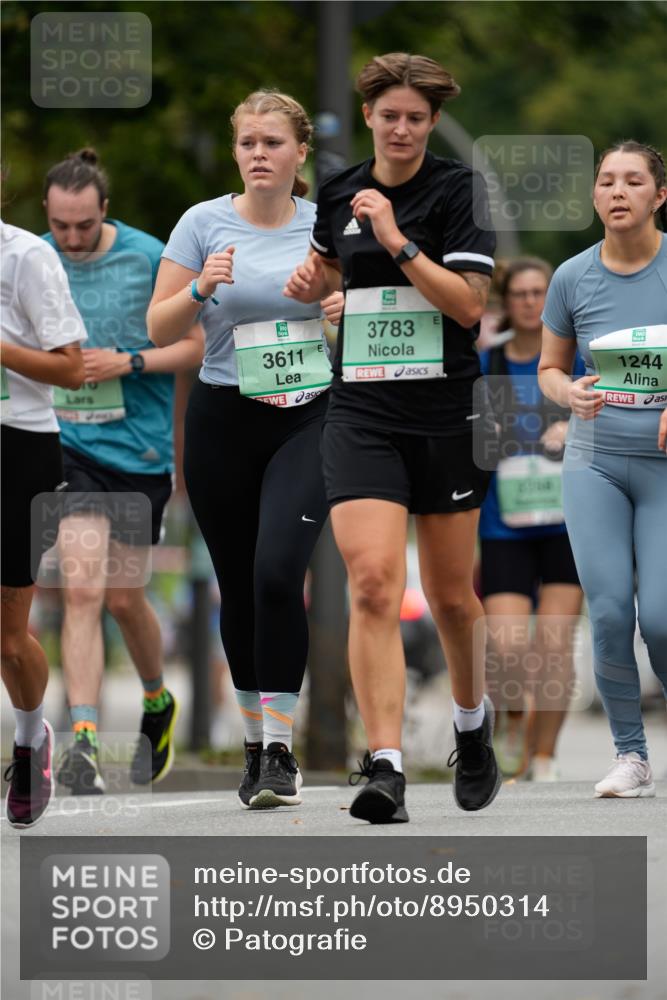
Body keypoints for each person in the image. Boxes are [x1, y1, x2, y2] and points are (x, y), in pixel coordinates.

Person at [285, 52, 499, 823]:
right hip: (362, 410)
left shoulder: (456, 190)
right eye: (388, 115)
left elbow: (470, 307)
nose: (401, 128)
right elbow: (326, 271)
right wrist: (318, 290)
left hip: (443, 411)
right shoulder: (338, 190)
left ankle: (472, 732)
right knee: (372, 582)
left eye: (415, 117)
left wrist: (399, 241)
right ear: (368, 115)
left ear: (432, 123)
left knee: (448, 595)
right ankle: (384, 765)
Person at [148, 91, 342, 809]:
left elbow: (370, 316)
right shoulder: (203, 222)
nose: (258, 153)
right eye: (247, 142)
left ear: (299, 155)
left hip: (307, 415)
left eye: (272, 142)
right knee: (238, 583)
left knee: (275, 572)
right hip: (224, 415)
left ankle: (282, 750)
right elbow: (160, 325)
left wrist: (338, 309)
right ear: (236, 151)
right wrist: (200, 285)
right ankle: (257, 745)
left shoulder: (329, 224)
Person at [42, 149, 204, 794]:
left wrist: (129, 363)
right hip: (68, 445)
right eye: (61, 226)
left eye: (84, 225)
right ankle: (82, 743)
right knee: (81, 590)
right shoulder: (35, 259)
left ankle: (157, 700)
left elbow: (193, 346)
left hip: (139, 452)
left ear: (105, 211)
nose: (73, 239)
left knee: (123, 598)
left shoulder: (148, 257)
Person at [539, 140, 667, 798]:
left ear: (657, 196)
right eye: (606, 181)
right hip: (595, 463)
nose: (617, 191)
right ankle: (629, 755)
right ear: (594, 197)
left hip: (663, 470)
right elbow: (549, 369)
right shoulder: (571, 277)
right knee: (611, 612)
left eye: (632, 181)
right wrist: (569, 394)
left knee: (663, 618)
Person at [478, 258, 584, 781]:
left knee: (554, 644)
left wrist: (574, 433)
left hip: (567, 525)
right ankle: (514, 718)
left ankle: (542, 757)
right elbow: (469, 437)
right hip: (504, 525)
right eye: (519, 292)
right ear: (506, 301)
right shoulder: (487, 363)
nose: (529, 301)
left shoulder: (575, 361)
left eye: (539, 291)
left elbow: (606, 418)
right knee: (508, 647)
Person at [1, 219, 86, 827]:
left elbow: (71, 369)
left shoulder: (25, 256)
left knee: (8, 637)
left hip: (19, 450)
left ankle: (31, 737)